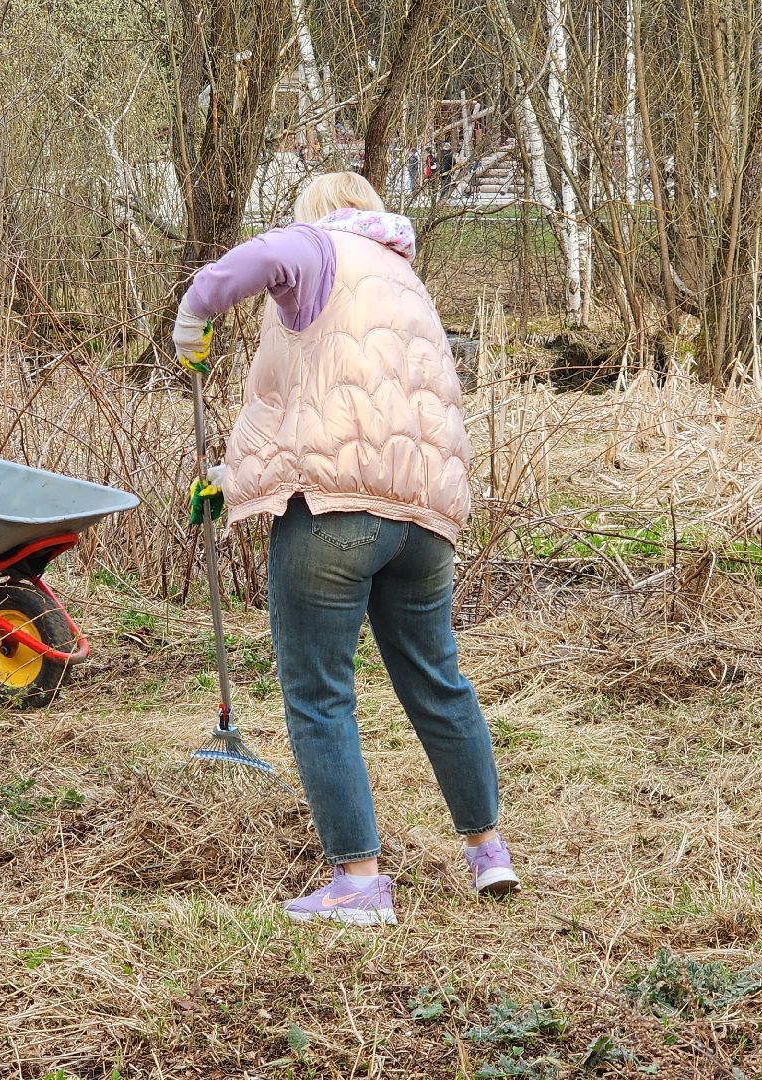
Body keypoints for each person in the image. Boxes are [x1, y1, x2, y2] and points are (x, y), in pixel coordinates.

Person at [171, 172, 520, 927]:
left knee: (320, 694)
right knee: (438, 682)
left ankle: (359, 883)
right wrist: (233, 483)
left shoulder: (321, 247)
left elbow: (244, 267)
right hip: (422, 521)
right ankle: (488, 851)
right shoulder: (405, 282)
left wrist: (194, 314)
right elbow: (352, 410)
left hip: (334, 517)